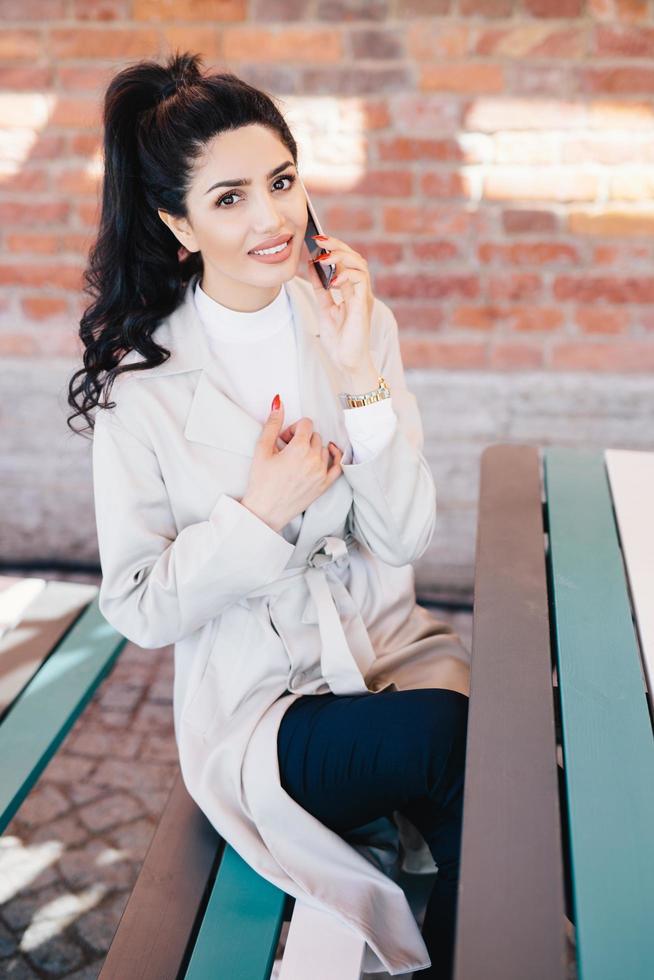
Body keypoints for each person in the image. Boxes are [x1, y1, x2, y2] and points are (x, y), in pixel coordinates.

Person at [67, 50, 472, 978]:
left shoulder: (352, 322)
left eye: (281, 182)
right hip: (261, 710)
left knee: (494, 755)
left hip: (381, 652)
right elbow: (134, 604)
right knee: (455, 747)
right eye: (230, 198)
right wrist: (258, 514)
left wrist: (361, 377)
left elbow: (407, 536)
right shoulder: (145, 394)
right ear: (178, 223)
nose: (271, 218)